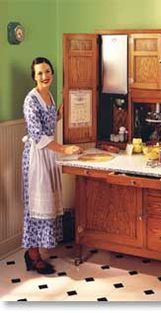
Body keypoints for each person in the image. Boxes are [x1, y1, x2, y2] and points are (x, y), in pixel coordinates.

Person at [22, 57, 82, 274]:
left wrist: (61, 112)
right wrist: (65, 150)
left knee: (46, 204)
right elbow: (38, 136)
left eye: (47, 72)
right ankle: (32, 255)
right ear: (34, 77)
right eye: (39, 73)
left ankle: (37, 252)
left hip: (49, 154)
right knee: (34, 208)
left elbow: (48, 122)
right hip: (37, 156)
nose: (44, 76)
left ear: (52, 74)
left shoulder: (49, 96)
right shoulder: (31, 100)